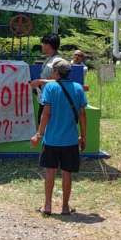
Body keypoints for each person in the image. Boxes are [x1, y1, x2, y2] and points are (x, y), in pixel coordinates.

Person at [30, 58, 88, 215]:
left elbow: (46, 114)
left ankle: (47, 206)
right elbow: (82, 115)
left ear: (56, 72)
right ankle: (65, 207)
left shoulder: (50, 88)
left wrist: (39, 134)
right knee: (67, 173)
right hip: (70, 140)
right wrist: (83, 137)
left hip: (51, 140)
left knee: (50, 172)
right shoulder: (78, 88)